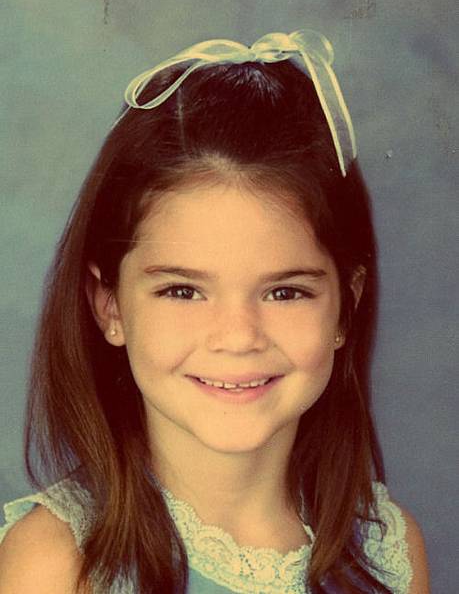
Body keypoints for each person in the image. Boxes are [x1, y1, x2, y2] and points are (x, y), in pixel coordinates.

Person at [0, 30, 429, 593]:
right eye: (183, 291)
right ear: (109, 305)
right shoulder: (55, 564)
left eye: (285, 292)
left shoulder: (388, 554)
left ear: (345, 309)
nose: (238, 337)